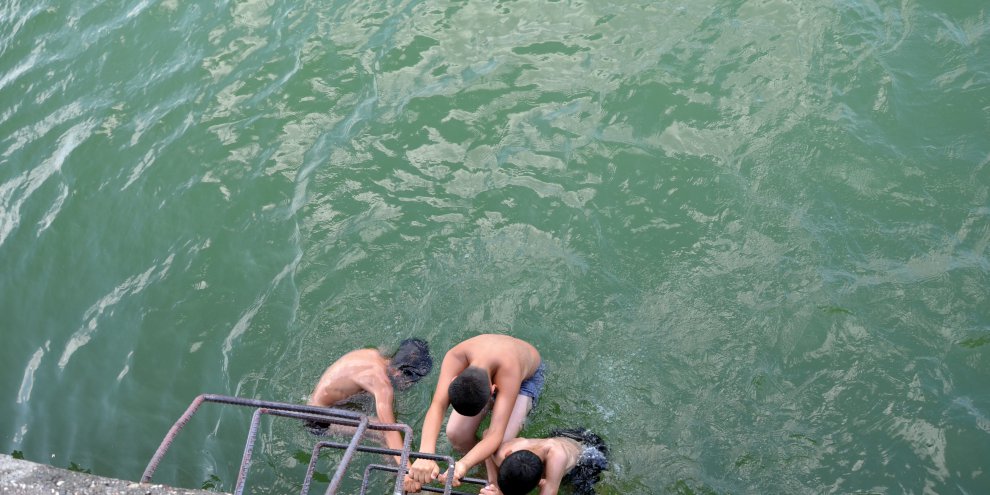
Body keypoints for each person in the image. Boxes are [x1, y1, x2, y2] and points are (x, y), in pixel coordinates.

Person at [407, 334, 544, 489]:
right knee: (455, 433)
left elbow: (495, 434)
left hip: (523, 381)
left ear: (493, 391)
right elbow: (438, 406)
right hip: (489, 367)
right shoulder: (455, 357)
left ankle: (486, 469)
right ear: (455, 379)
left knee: (501, 449)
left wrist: (464, 464)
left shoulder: (510, 370)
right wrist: (425, 454)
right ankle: (482, 467)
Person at [305, 338, 433, 465]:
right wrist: (407, 469)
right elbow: (389, 430)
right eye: (409, 381)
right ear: (398, 373)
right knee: (384, 433)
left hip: (322, 402)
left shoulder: (374, 354)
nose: (408, 386)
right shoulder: (381, 384)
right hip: (319, 419)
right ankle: (401, 478)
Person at [480, 428, 608, 495]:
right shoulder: (504, 451)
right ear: (509, 455)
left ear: (541, 482)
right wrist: (493, 483)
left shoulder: (558, 457)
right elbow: (487, 436)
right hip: (561, 435)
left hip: (587, 456)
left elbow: (550, 489)